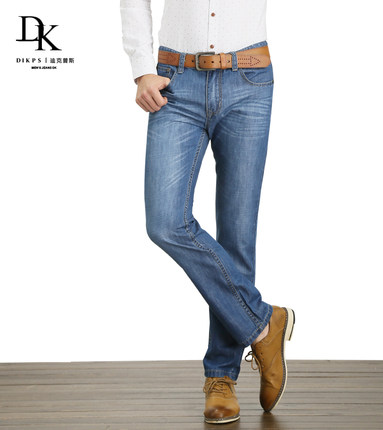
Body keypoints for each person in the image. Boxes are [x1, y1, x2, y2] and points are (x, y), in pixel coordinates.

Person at [120, 0, 296, 424]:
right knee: (165, 222)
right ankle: (263, 323)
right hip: (175, 81)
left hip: (249, 78)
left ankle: (221, 377)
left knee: (237, 234)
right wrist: (142, 68)